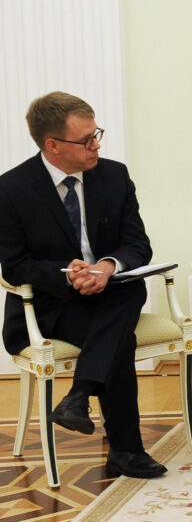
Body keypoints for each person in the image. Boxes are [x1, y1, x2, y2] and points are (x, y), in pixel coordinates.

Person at [0, 92, 165, 479]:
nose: (97, 145)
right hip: (50, 307)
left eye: (97, 134)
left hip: (109, 292)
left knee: (130, 288)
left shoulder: (114, 175)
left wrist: (106, 267)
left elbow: (137, 244)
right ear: (52, 145)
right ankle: (125, 450)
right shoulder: (11, 189)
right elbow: (15, 263)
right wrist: (68, 273)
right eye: (87, 140)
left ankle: (78, 397)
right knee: (118, 337)